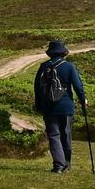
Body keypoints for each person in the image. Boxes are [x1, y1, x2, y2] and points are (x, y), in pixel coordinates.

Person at [33, 39, 87, 173]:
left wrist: (39, 105)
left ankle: (58, 165)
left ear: (50, 53)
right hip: (66, 107)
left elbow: (37, 88)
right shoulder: (69, 66)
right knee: (66, 134)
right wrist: (83, 100)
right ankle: (66, 164)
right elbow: (78, 86)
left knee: (53, 136)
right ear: (63, 52)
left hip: (48, 107)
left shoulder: (43, 67)